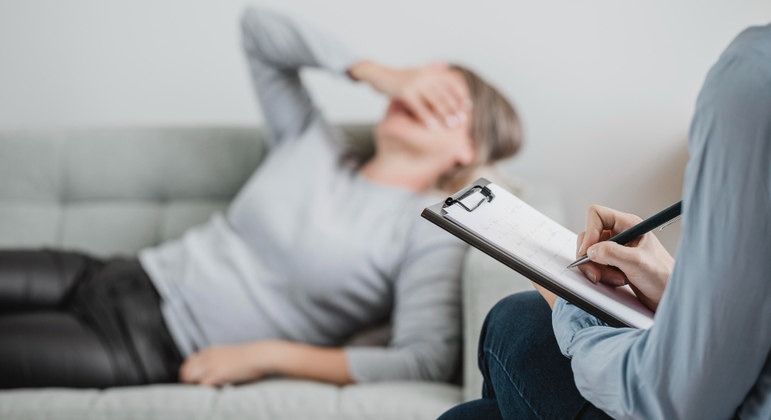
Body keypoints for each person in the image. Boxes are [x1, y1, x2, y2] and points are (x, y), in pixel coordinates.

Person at [0, 6, 524, 388]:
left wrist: (265, 355)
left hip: (143, 346)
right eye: (423, 83)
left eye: (448, 101)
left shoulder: (428, 230)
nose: (421, 97)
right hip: (110, 272)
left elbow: (424, 360)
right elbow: (258, 28)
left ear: (469, 148)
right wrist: (375, 72)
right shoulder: (312, 143)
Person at [439, 22, 771, 419]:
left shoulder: (755, 71)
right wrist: (671, 286)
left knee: (517, 319)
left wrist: (572, 306)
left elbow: (673, 399)